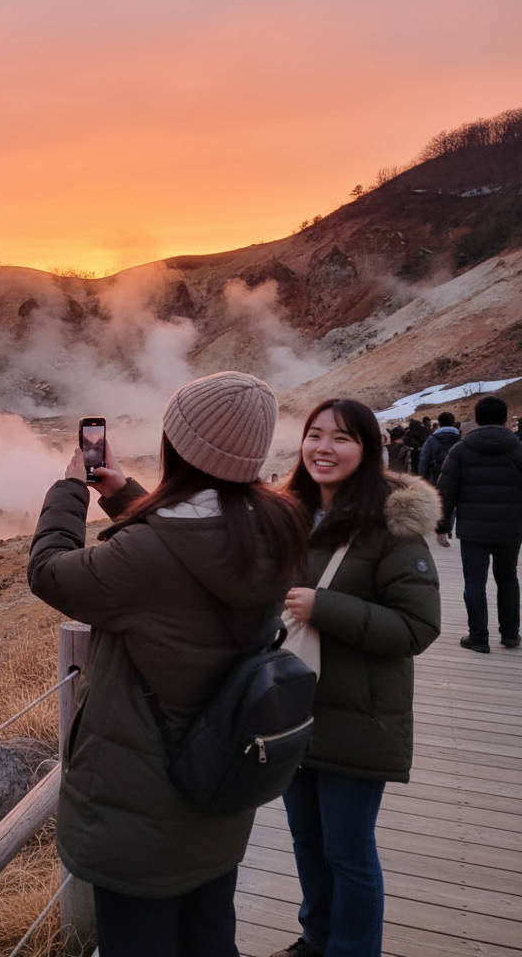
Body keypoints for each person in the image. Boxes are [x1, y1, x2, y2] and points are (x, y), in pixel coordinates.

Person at [28, 372, 307, 957]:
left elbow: (50, 571)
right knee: (210, 936)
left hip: (139, 811)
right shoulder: (279, 526)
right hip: (219, 788)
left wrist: (69, 489)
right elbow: (195, 541)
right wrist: (129, 495)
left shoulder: (147, 556)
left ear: (176, 447)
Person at [271, 398, 441, 957]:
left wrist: (326, 608)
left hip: (359, 716)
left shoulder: (390, 525)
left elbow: (418, 626)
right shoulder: (286, 512)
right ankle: (316, 939)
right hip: (293, 706)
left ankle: (352, 950)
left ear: (368, 450)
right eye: (314, 435)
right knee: (307, 841)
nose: (323, 448)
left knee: (347, 849)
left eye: (342, 438)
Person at [436, 395, 522, 652]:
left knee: (475, 582)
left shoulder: (461, 450)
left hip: (473, 531)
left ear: (475, 420)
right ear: (506, 420)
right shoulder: (518, 450)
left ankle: (478, 637)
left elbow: (445, 491)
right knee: (508, 579)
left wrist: (441, 527)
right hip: (511, 529)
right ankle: (510, 634)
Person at [418, 411, 460, 486]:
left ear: (439, 424)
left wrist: (423, 480)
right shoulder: (461, 439)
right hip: (458, 479)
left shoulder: (431, 440)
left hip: (436, 479)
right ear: (453, 423)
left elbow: (424, 460)